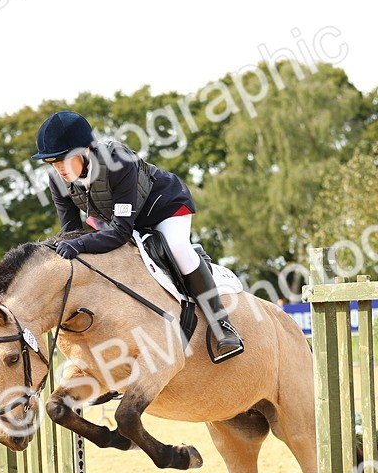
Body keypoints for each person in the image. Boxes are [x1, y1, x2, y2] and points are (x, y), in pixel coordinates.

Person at [32, 111, 243, 363]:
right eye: (52, 163)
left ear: (85, 150)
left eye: (63, 160)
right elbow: (70, 232)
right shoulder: (58, 180)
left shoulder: (118, 162)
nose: (59, 169)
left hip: (164, 208)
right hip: (120, 220)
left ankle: (222, 324)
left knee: (177, 248)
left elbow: (119, 233)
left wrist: (78, 244)